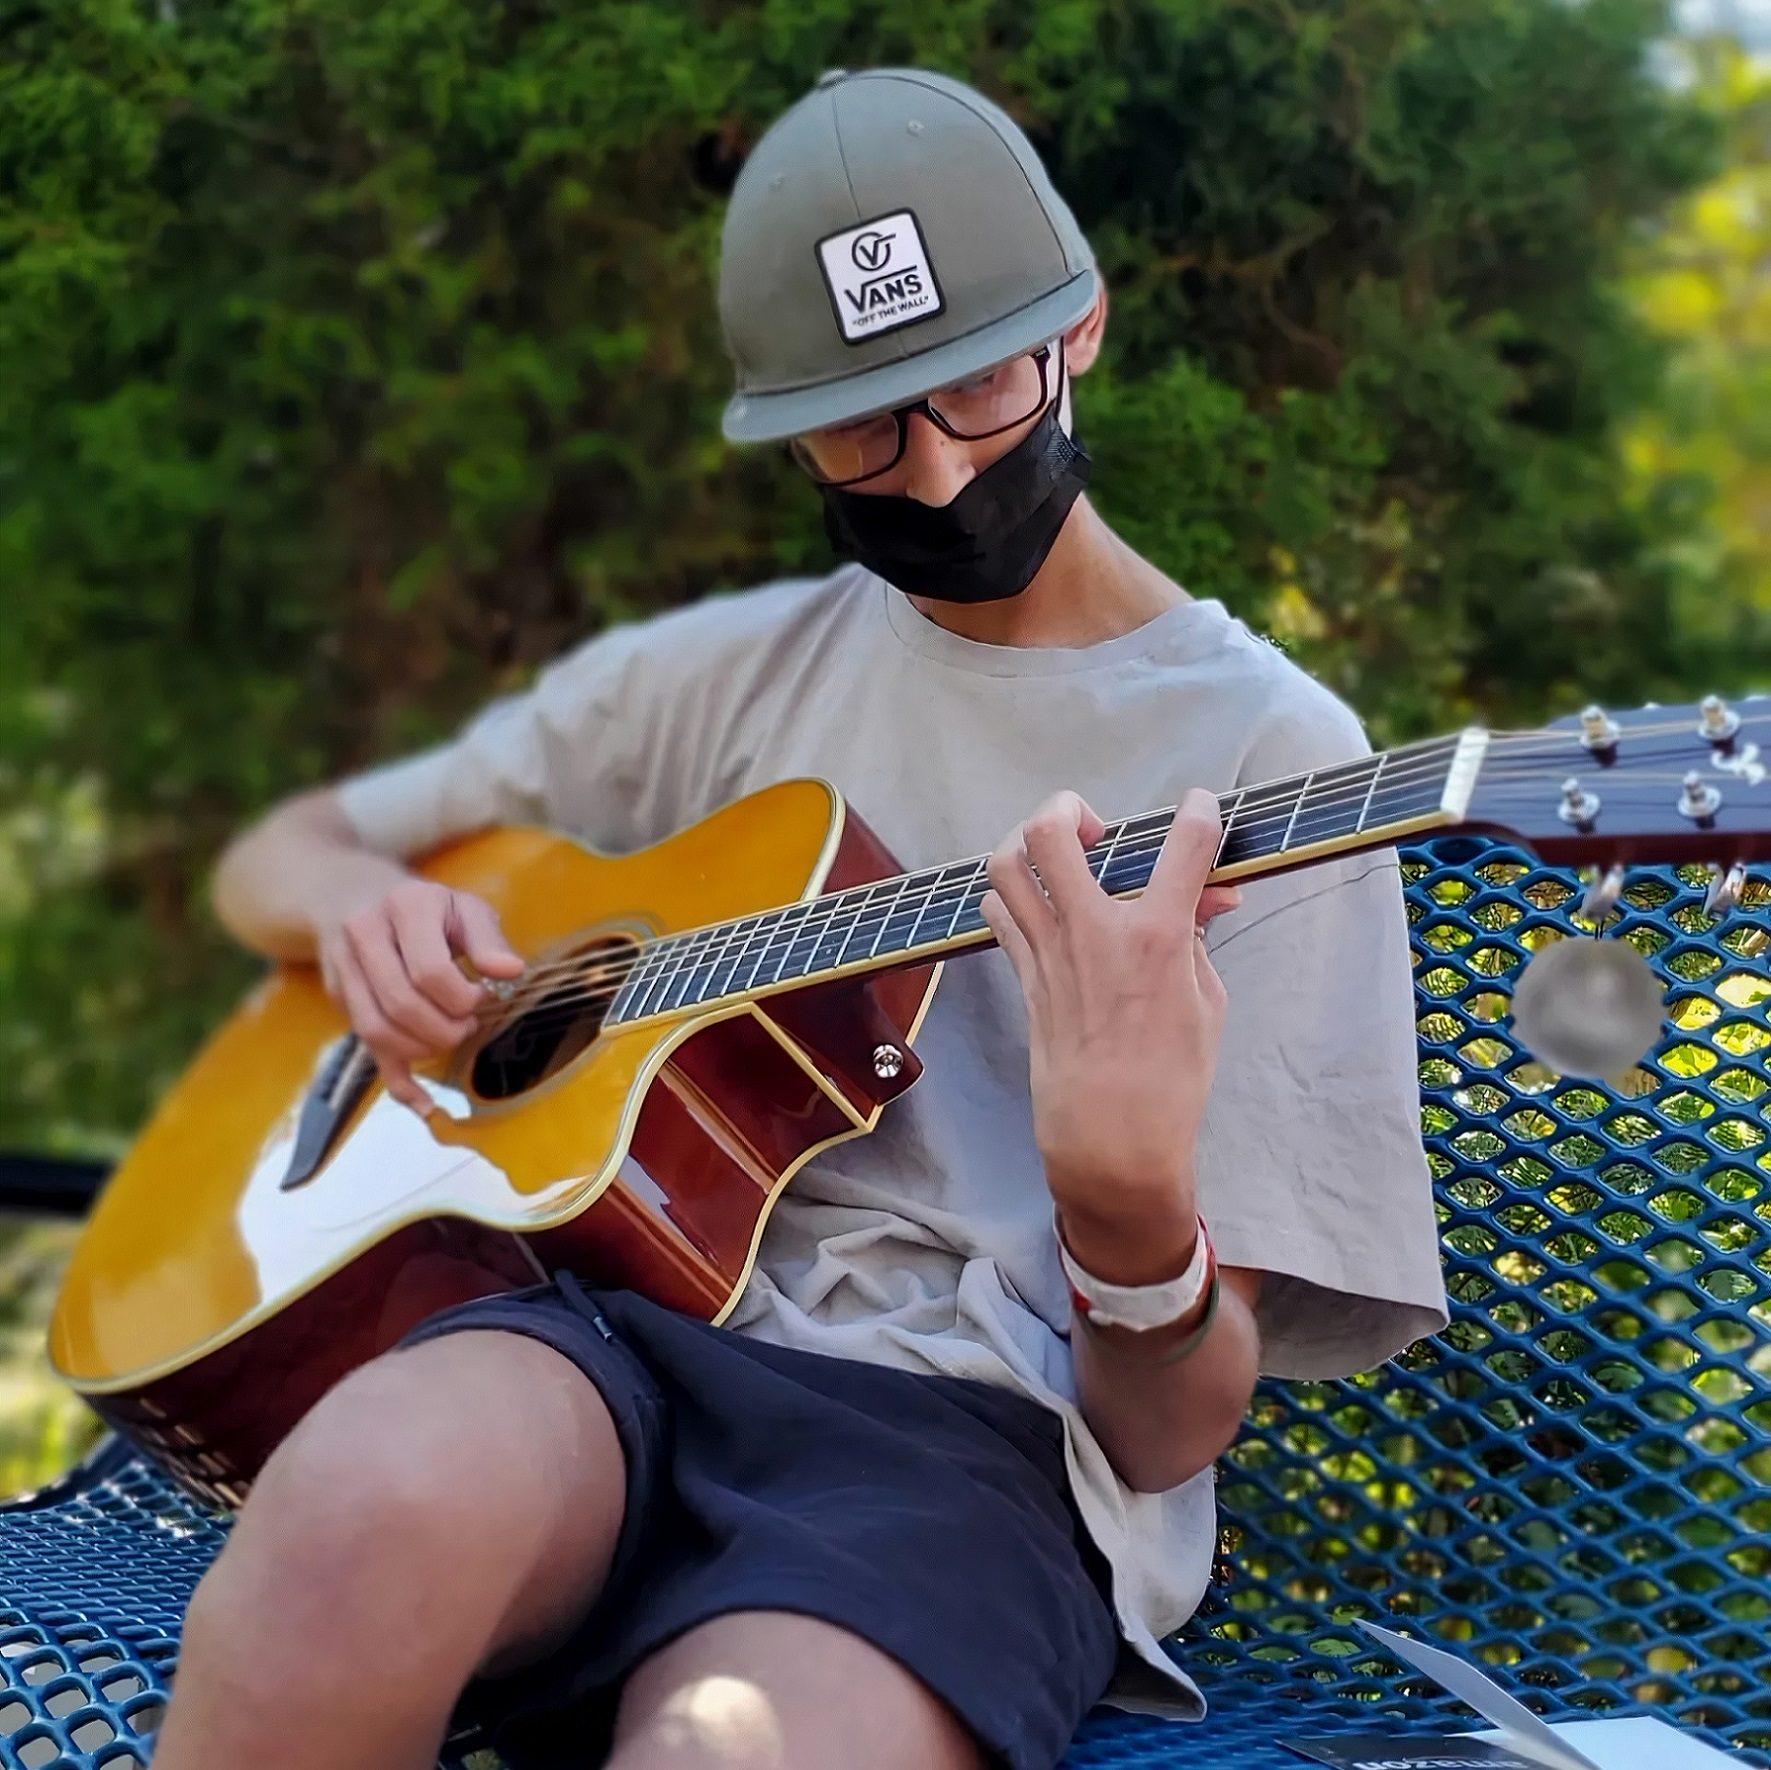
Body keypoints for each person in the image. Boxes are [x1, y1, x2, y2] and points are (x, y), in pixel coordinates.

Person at [152, 67, 1449, 1770]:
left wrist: (1129, 1217)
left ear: (1084, 331)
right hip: (605, 1341)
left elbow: (1166, 1432)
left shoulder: (1277, 767)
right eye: (860, 425)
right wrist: (356, 906)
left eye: (976, 384)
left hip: (970, 1446)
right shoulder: (732, 673)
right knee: (344, 1515)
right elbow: (285, 853)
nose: (927, 475)